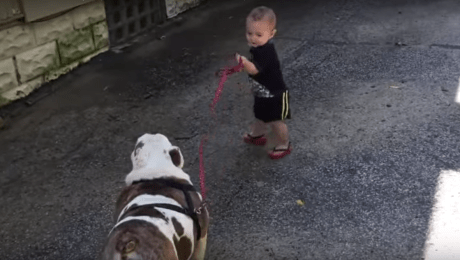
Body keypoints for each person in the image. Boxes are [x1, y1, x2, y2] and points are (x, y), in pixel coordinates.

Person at [235, 6, 292, 160]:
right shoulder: (258, 48)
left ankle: (284, 144)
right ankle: (257, 134)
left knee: (275, 120)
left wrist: (243, 62)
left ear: (271, 34)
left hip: (275, 94)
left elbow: (254, 70)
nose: (253, 38)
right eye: (249, 33)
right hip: (262, 91)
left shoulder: (266, 52)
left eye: (258, 34)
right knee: (260, 114)